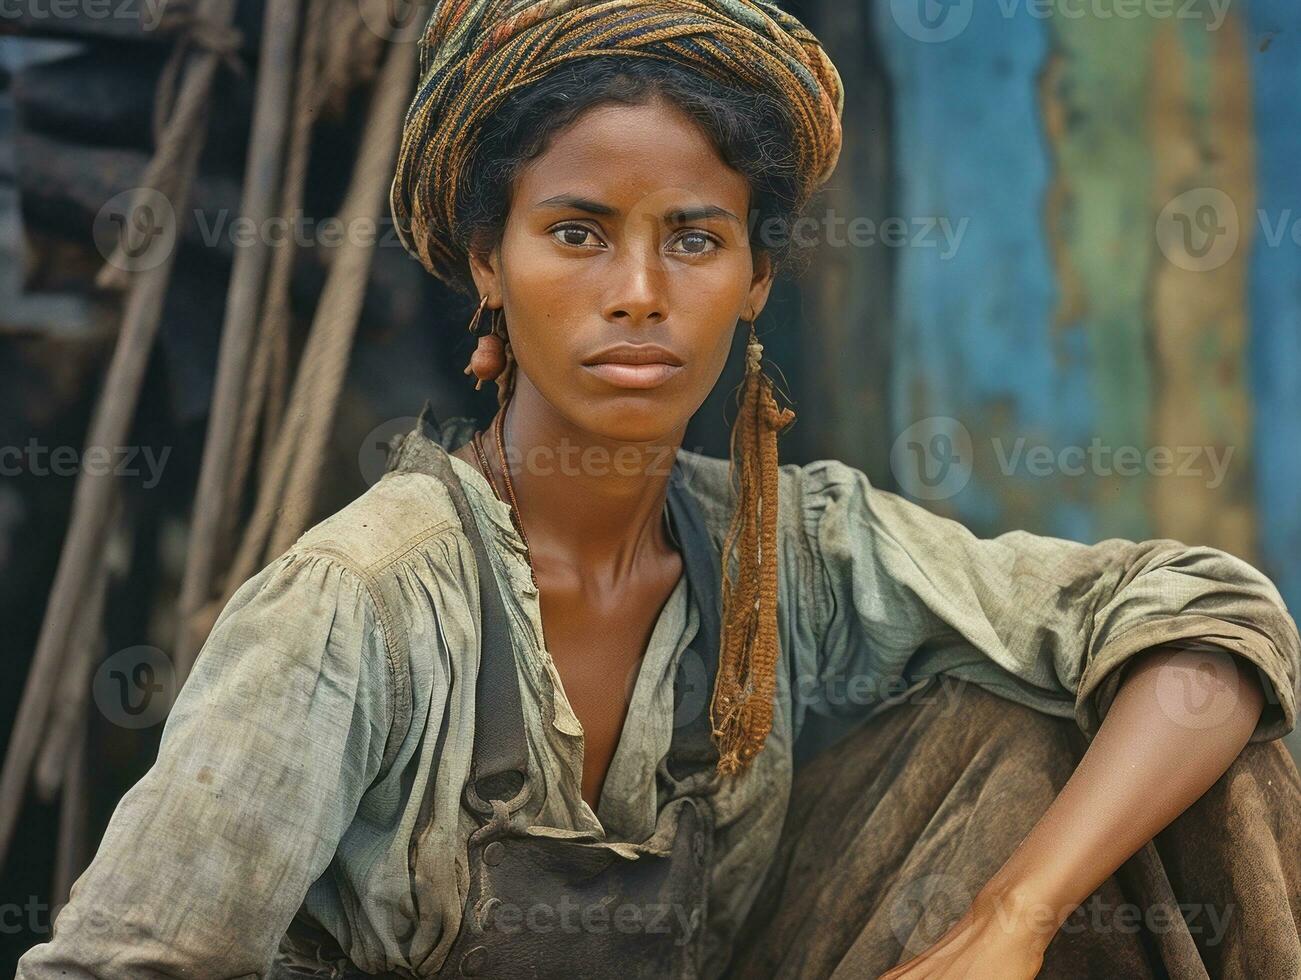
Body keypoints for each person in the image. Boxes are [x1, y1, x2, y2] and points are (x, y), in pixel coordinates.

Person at [17, 1, 1301, 978]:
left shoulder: (789, 549)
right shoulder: (355, 606)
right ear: (487, 264)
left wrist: (1003, 921)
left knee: (1058, 723)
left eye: (693, 236)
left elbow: (1209, 613)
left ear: (751, 279)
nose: (639, 289)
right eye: (577, 232)